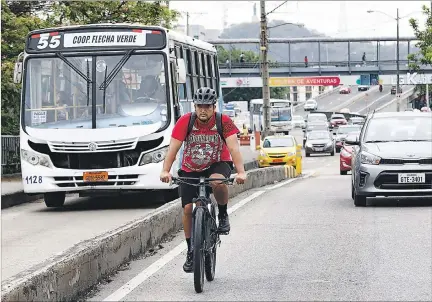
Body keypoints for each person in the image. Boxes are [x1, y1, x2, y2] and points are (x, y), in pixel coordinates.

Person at [160, 87, 247, 273]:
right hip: (190, 167)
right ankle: (191, 249)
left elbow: (234, 149)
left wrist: (241, 172)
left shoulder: (223, 121)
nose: (203, 110)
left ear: (214, 107)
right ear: (195, 106)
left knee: (217, 182)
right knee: (187, 208)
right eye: (200, 106)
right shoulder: (186, 121)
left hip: (217, 162)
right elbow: (173, 149)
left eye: (207, 106)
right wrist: (165, 171)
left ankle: (223, 214)